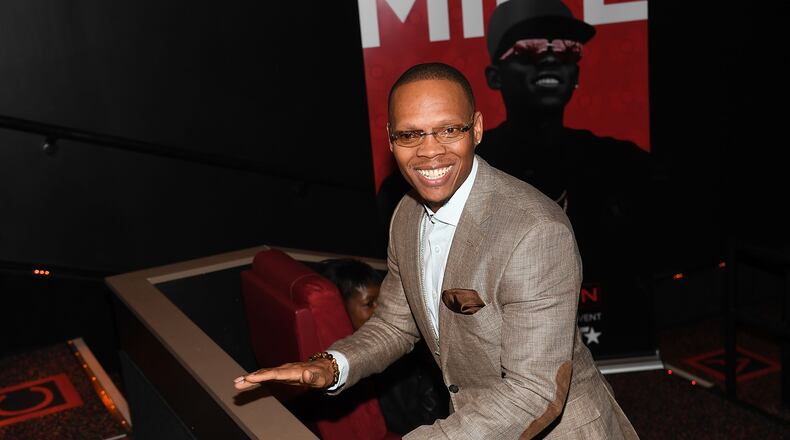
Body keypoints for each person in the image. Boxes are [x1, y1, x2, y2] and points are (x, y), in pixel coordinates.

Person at [235, 62, 637, 438]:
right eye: (410, 134)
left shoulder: (535, 231)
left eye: (449, 130)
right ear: (391, 140)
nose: (429, 151)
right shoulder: (406, 215)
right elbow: (395, 324)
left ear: (477, 129)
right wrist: (329, 366)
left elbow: (533, 391)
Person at [477, 0, 656, 356]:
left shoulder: (624, 163)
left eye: (565, 50)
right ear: (494, 77)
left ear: (576, 74)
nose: (548, 59)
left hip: (610, 345)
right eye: (527, 50)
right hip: (506, 350)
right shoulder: (470, 169)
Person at [317, 258, 449, 435]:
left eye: (382, 301)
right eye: (369, 303)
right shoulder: (342, 358)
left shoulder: (407, 355)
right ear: (340, 309)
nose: (380, 310)